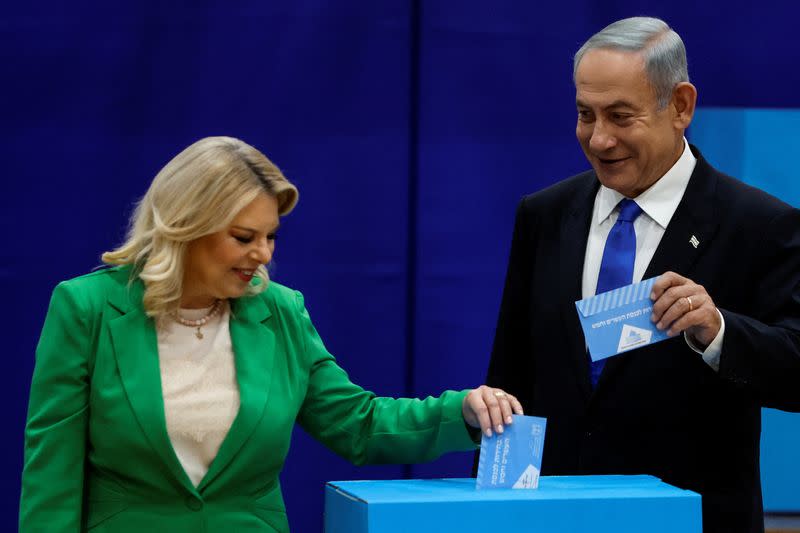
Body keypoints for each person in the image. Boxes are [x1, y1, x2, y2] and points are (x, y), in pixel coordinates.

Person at [20, 136, 523, 532]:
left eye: (270, 236)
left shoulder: (280, 311)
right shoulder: (86, 307)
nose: (263, 253)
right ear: (185, 226)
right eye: (244, 237)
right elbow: (52, 478)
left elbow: (359, 425)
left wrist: (463, 413)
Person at [483, 16, 800, 533]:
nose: (600, 139)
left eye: (620, 116)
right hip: (556, 519)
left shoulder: (759, 225)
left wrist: (719, 332)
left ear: (680, 106)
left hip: (690, 520)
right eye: (586, 115)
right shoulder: (543, 215)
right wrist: (504, 509)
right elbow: (513, 381)